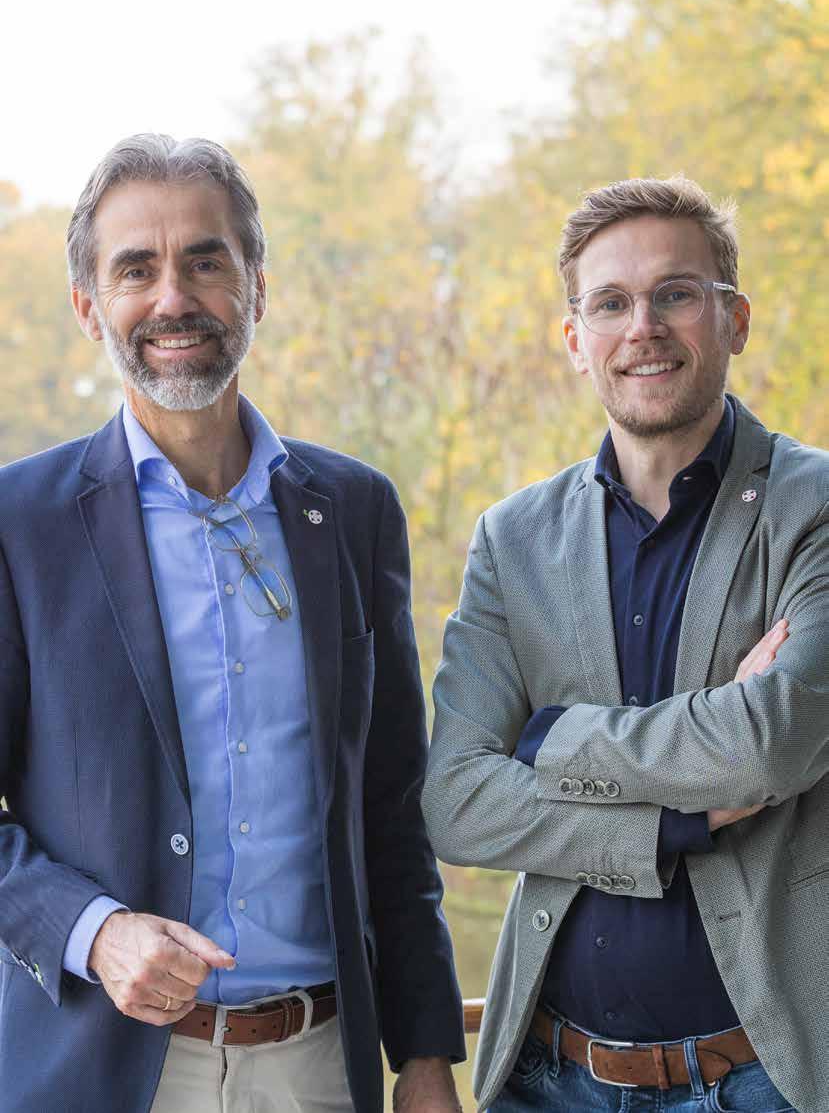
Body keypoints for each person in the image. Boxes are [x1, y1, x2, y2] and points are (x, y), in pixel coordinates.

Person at [0, 134, 465, 1113]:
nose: (174, 298)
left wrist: (425, 1055)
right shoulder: (17, 525)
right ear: (88, 305)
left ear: (258, 287)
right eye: (136, 269)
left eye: (206, 261)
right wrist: (95, 930)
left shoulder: (355, 509)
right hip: (101, 1070)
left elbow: (391, 804)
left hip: (321, 1066)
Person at [423, 176, 828, 1113]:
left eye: (674, 294)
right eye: (608, 303)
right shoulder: (511, 539)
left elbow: (770, 743)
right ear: (575, 340)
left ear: (734, 320)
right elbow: (456, 802)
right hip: (546, 1077)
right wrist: (678, 817)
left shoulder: (811, 507)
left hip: (759, 1080)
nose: (641, 327)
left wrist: (552, 738)